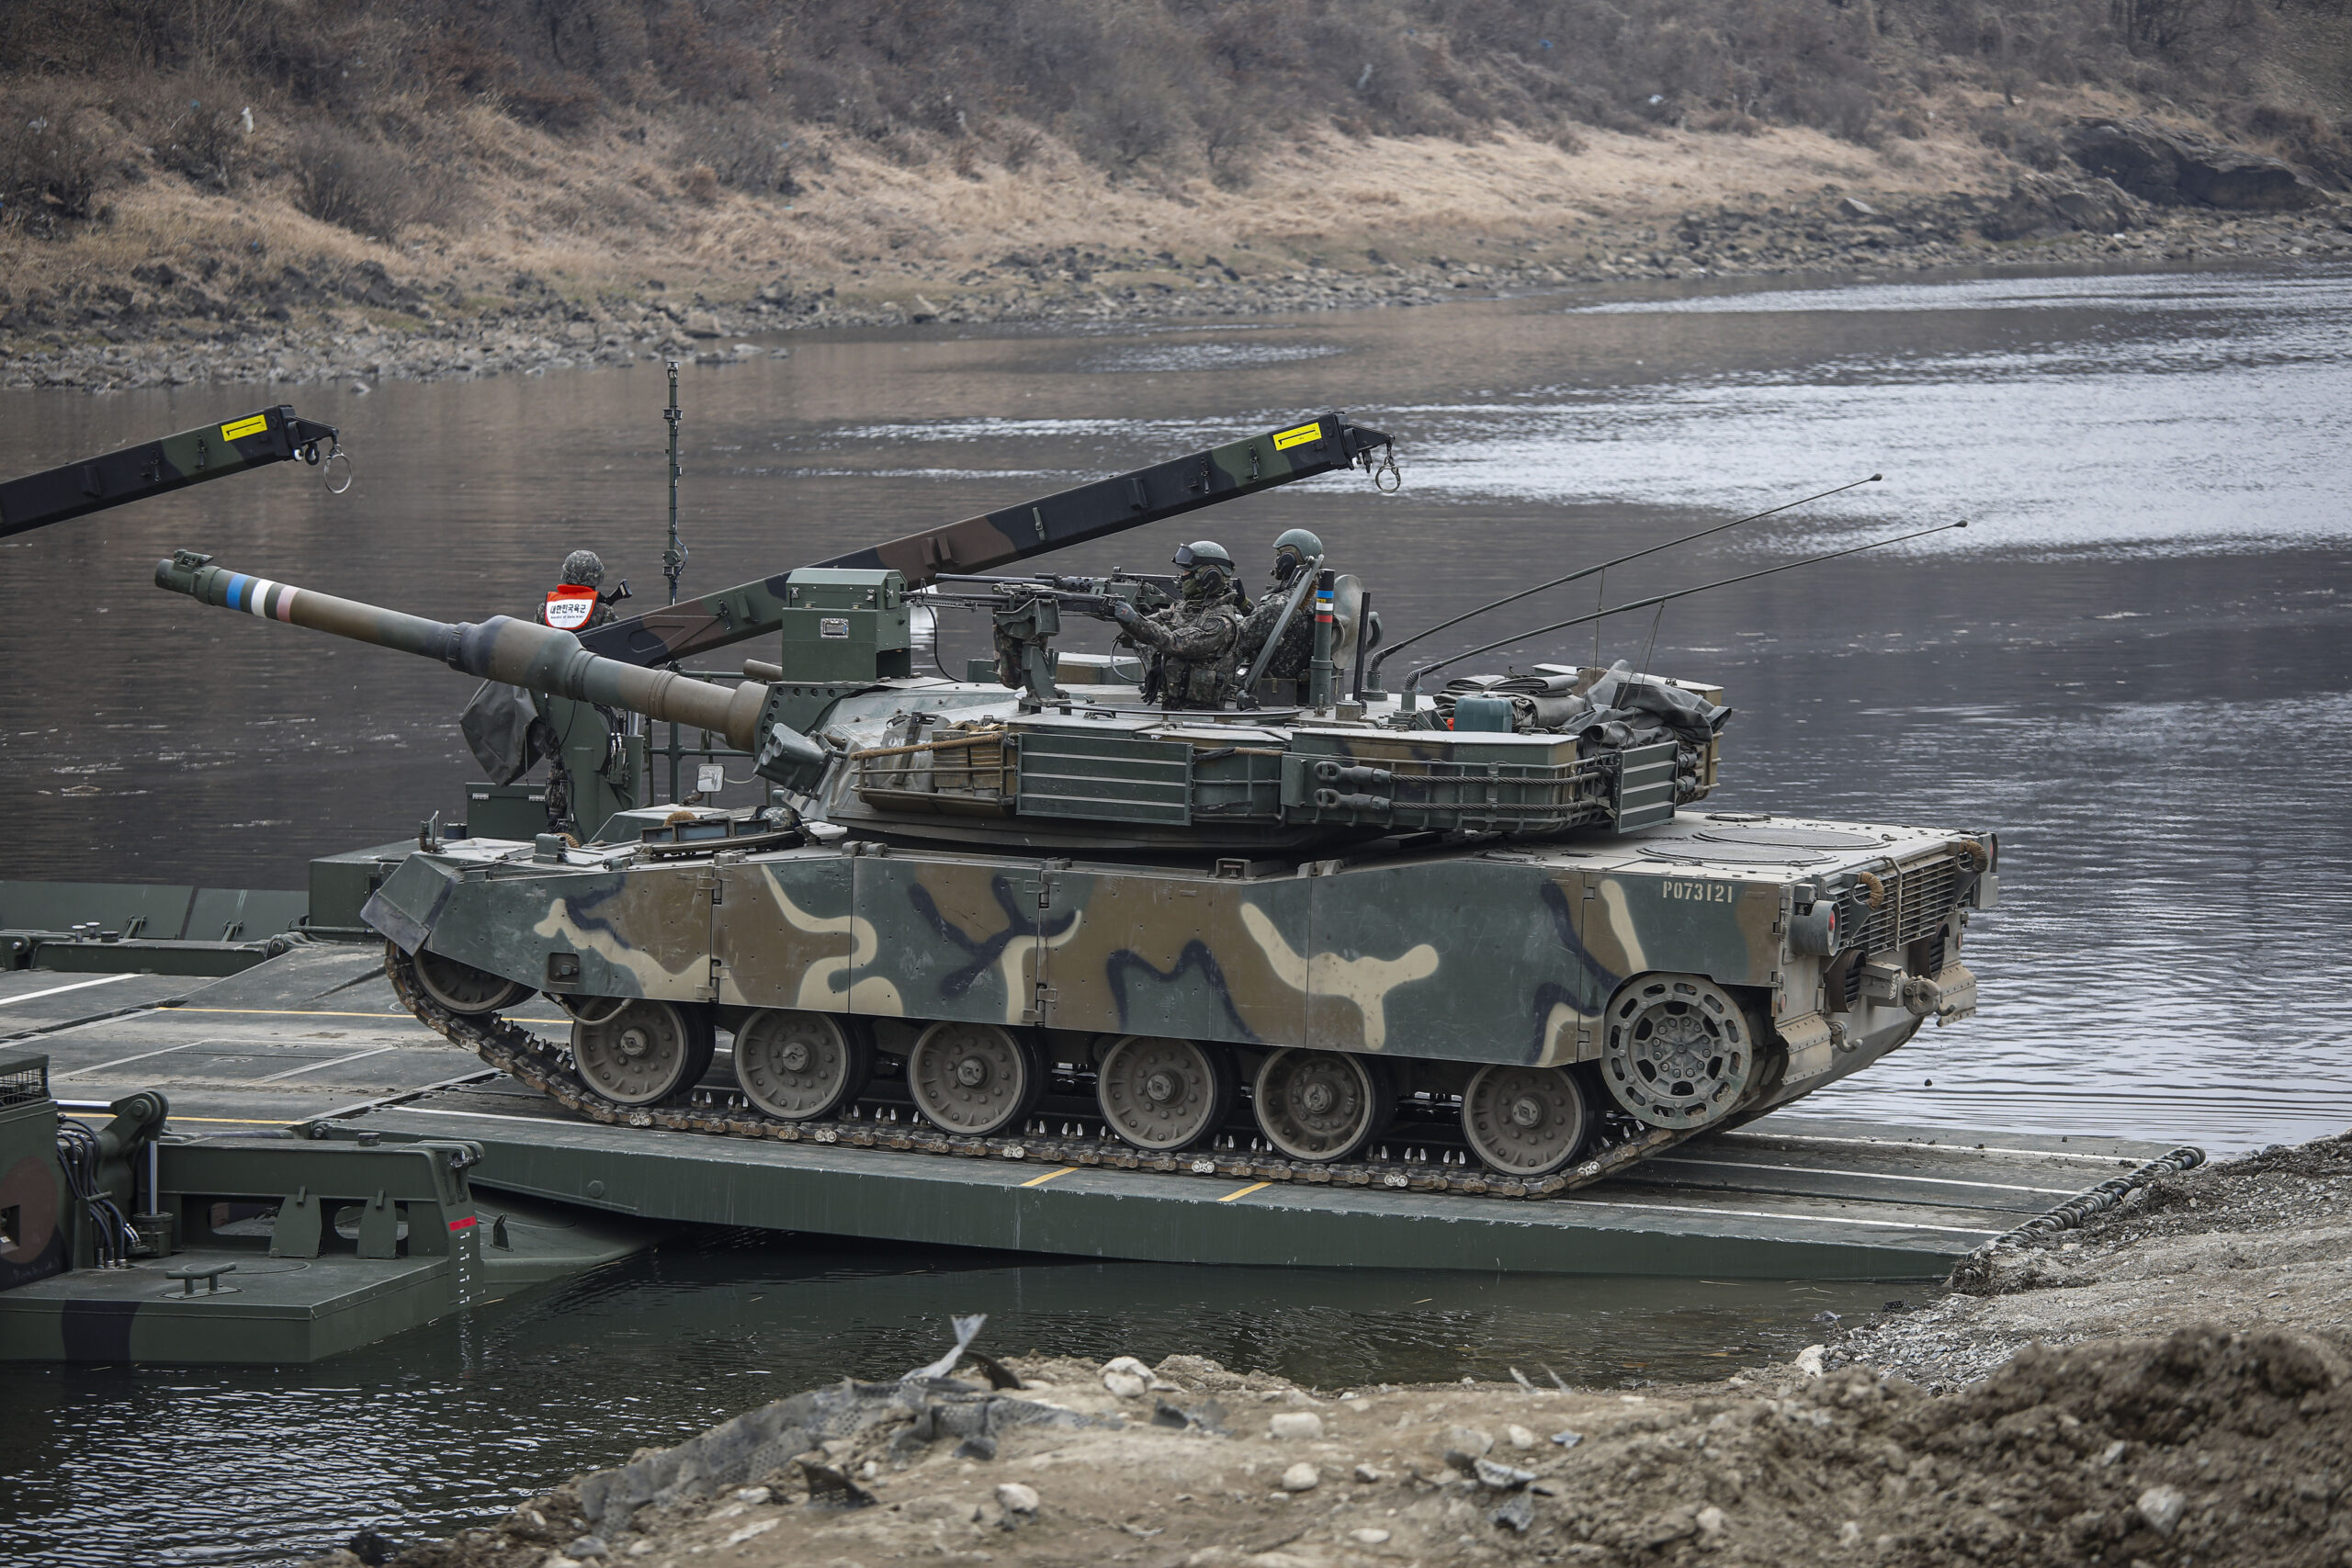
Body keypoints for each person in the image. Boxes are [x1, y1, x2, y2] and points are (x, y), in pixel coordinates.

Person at [1110, 540, 1247, 708]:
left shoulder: (1221, 623)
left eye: (1187, 572)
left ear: (1208, 578)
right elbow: (1154, 623)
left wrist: (1132, 619)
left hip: (1201, 714)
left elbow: (1175, 643)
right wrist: (1123, 618)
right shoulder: (1186, 606)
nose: (1182, 577)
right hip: (1174, 705)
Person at [1234, 528, 1322, 692]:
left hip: (1267, 688)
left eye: (1279, 555)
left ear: (1288, 560)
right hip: (1293, 684)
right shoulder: (1319, 596)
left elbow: (1236, 641)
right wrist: (1244, 605)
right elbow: (1270, 624)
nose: (1276, 561)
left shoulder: (1281, 603)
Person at [537, 549, 615, 632]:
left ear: (565, 574)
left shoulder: (544, 609)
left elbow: (537, 639)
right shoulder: (603, 610)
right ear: (598, 576)